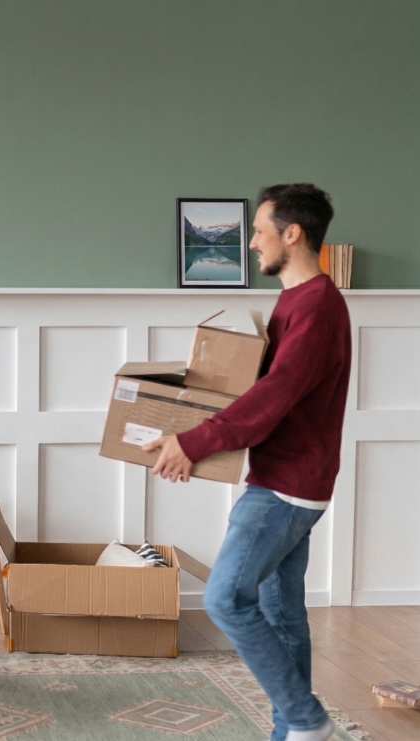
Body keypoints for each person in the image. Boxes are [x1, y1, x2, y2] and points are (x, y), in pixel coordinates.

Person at [143, 184, 350, 741]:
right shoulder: (297, 301)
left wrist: (193, 442)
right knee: (280, 614)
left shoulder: (317, 308)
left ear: (292, 233)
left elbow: (273, 396)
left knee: (225, 598)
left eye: (259, 230)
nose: (252, 241)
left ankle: (307, 721)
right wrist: (187, 420)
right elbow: (260, 391)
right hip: (290, 477)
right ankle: (296, 733)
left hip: (286, 486)